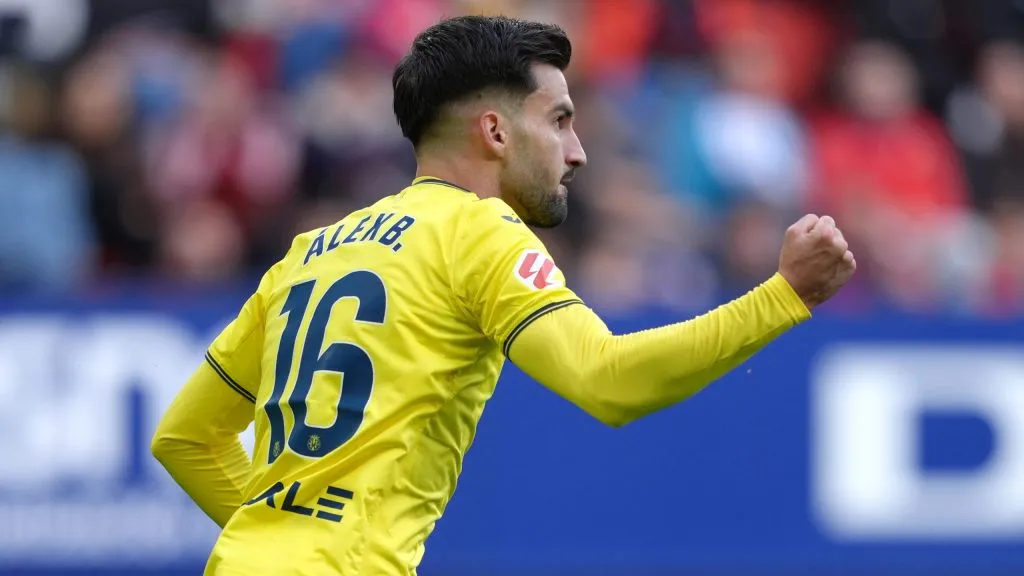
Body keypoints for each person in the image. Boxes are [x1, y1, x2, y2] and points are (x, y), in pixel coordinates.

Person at [151, 15, 856, 576]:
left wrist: (283, 544)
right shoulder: (479, 230)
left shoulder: (312, 252)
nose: (576, 150)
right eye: (558, 120)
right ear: (494, 130)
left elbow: (185, 437)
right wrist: (784, 296)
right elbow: (608, 381)